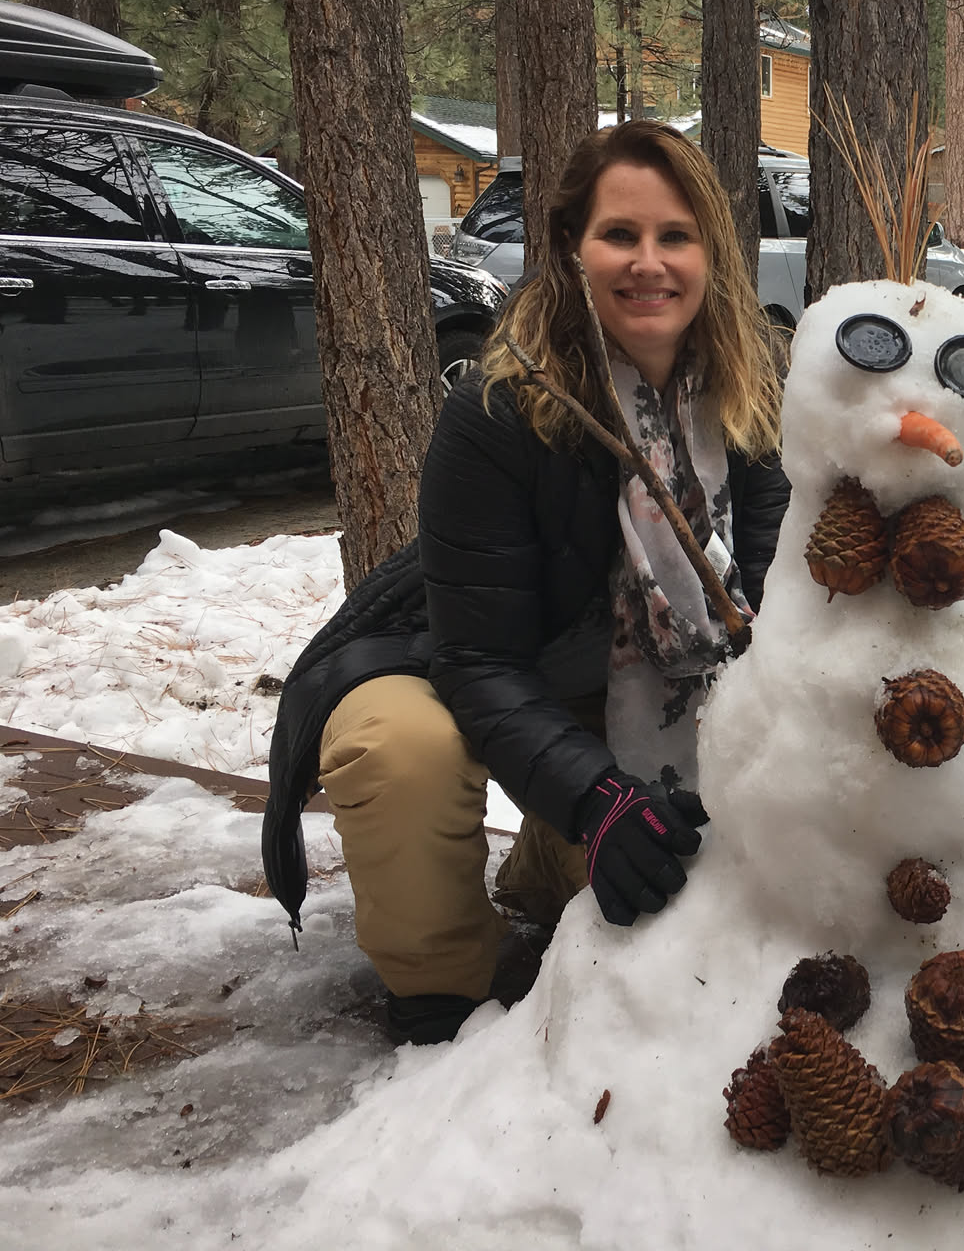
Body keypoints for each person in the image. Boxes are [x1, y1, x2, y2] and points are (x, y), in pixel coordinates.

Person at [261, 121, 790, 1045]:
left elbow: (779, 605)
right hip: (465, 661)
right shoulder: (501, 409)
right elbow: (478, 661)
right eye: (619, 234)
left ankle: (549, 862)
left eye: (675, 235)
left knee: (694, 894)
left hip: (639, 686)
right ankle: (441, 993)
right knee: (401, 751)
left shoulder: (752, 396)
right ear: (571, 249)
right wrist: (599, 799)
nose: (649, 263)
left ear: (712, 253)